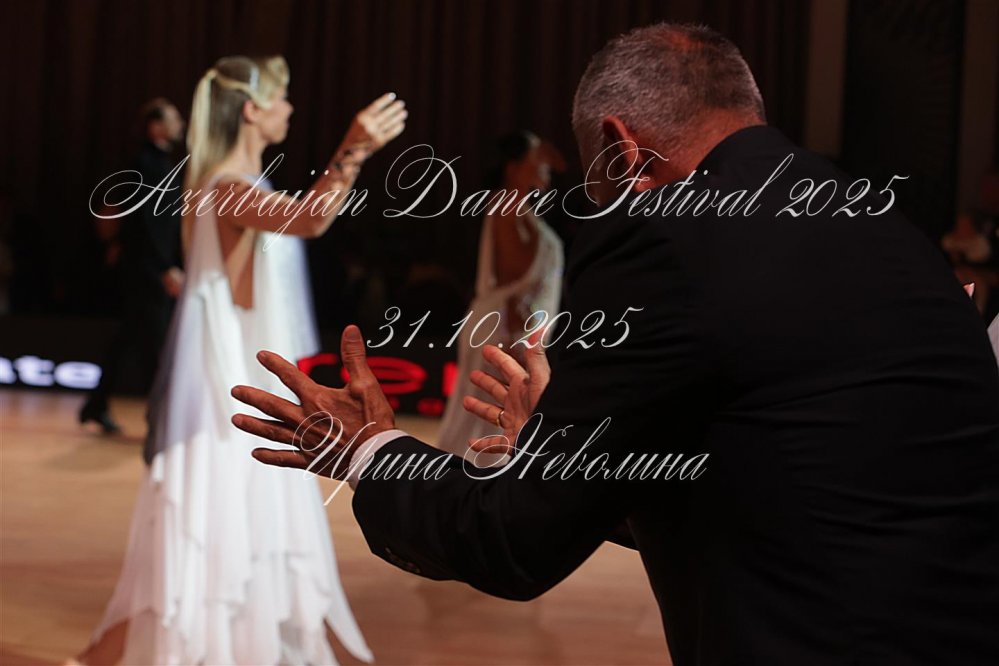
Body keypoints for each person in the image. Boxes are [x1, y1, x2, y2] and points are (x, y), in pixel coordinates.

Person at [232, 24, 999, 666]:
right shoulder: (884, 225)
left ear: (619, 148)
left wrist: (366, 450)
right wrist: (576, 456)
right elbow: (791, 481)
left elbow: (508, 541)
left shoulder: (671, 242)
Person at [72, 56, 406, 664]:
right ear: (252, 110)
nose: (290, 108)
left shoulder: (231, 185)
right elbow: (311, 220)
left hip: (245, 376)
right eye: (281, 97)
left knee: (241, 524)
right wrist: (353, 149)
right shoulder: (225, 188)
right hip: (229, 387)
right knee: (225, 523)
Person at [434, 131, 564, 465]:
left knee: (500, 418)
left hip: (515, 327)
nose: (545, 166)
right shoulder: (506, 203)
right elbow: (512, 274)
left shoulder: (523, 209)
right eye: (536, 159)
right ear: (513, 167)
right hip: (502, 326)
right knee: (485, 417)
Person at [79, 99, 186, 434]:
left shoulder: (154, 164)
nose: (179, 124)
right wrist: (165, 267)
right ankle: (162, 420)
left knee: (128, 338)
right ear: (155, 127)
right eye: (172, 119)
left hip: (143, 266)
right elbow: (148, 223)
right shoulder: (147, 165)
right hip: (146, 269)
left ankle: (96, 405)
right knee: (156, 345)